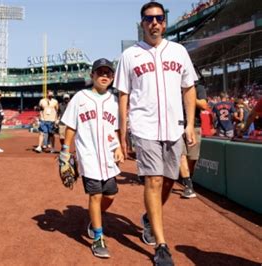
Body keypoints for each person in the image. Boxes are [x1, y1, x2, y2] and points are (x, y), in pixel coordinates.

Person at [114, 2, 197, 265]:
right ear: (142, 23)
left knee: (171, 180)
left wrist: (189, 123)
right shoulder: (130, 55)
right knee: (154, 181)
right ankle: (161, 245)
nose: (154, 22)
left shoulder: (179, 51)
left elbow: (189, 88)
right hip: (144, 126)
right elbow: (123, 96)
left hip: (174, 126)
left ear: (164, 22)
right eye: (149, 18)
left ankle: (150, 217)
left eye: (159, 18)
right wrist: (123, 132)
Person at [60, 58, 124, 258]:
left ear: (112, 77)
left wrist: (119, 146)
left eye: (108, 73)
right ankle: (98, 236)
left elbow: (115, 128)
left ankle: (95, 218)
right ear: (92, 75)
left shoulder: (114, 100)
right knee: (95, 196)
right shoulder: (80, 97)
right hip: (87, 156)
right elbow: (71, 126)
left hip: (108, 156)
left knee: (110, 194)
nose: (104, 76)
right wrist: (64, 151)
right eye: (100, 72)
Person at [179, 67, 209, 199]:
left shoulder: (199, 88)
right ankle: (188, 184)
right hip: (177, 125)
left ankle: (188, 177)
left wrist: (188, 95)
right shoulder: (173, 86)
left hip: (194, 125)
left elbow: (203, 105)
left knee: (193, 157)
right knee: (181, 155)